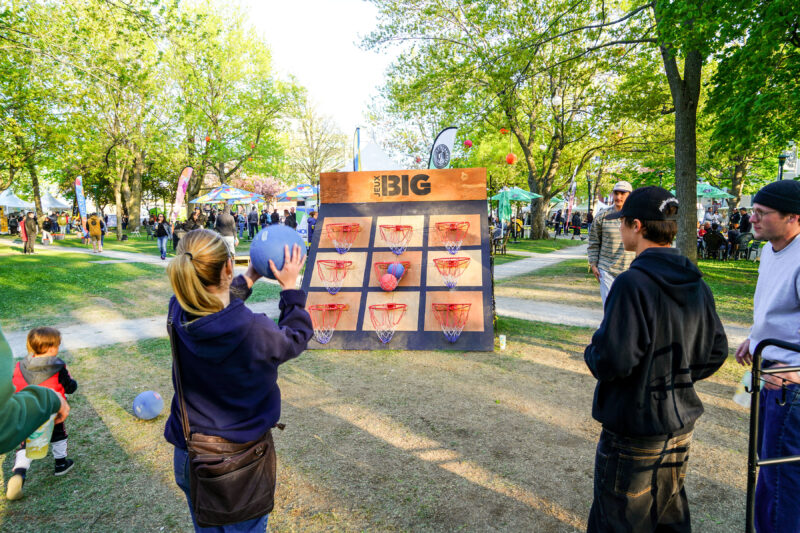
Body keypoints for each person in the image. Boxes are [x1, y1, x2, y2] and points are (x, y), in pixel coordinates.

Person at [584, 186, 727, 532]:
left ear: (636, 225)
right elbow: (716, 350)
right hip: (678, 424)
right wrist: (677, 376)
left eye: (622, 224)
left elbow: (612, 359)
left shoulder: (632, 284)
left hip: (635, 429)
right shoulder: (695, 281)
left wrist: (592, 351)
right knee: (668, 515)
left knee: (620, 520)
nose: (619, 230)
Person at [165, 229, 312, 531]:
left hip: (190, 456)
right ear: (228, 267)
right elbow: (295, 338)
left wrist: (249, 277)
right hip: (236, 466)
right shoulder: (252, 329)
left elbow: (214, 303)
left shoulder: (177, 310)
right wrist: (290, 289)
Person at [733, 180, 800, 533]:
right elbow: (781, 312)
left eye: (761, 213)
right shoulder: (770, 251)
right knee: (767, 469)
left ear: (793, 217)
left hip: (790, 382)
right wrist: (755, 337)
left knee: (780, 478)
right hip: (768, 369)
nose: (752, 219)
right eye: (752, 212)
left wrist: (796, 370)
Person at [7, 327, 78, 500]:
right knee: (59, 435)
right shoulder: (57, 366)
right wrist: (73, 385)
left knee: (27, 443)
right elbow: (69, 386)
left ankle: (20, 472)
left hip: (27, 412)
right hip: (53, 411)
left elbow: (13, 387)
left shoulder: (19, 366)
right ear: (52, 347)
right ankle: (61, 464)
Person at [587, 181, 635, 305]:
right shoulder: (602, 216)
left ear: (630, 195)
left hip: (631, 270)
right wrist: (593, 264)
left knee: (628, 307)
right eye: (616, 193)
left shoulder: (637, 217)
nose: (618, 197)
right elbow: (593, 241)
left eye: (623, 194)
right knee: (610, 307)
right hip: (606, 268)